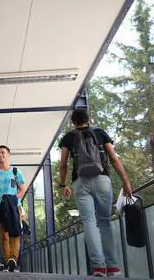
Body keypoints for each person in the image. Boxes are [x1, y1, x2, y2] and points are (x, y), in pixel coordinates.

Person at [58, 108, 132, 277]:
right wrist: (126, 182)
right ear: (88, 120)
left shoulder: (69, 137)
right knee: (104, 221)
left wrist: (63, 184)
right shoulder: (99, 133)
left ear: (73, 123)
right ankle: (112, 266)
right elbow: (114, 159)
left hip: (81, 182)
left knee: (89, 222)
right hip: (103, 180)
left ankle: (99, 267)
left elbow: (63, 164)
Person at [0, 145, 26, 272]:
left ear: (8, 155)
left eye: (3, 153)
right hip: (0, 208)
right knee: (4, 235)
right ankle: (8, 260)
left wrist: (14, 199)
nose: (0, 155)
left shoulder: (16, 172)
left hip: (14, 208)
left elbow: (22, 189)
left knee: (15, 234)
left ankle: (13, 259)